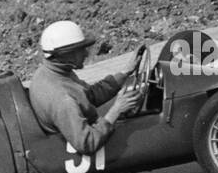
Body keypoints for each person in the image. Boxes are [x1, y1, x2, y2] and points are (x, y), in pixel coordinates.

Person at [29, 20, 141, 155]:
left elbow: (89, 96)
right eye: (81, 50)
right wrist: (116, 111)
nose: (86, 54)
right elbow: (87, 143)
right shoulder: (62, 98)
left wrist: (125, 72)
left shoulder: (52, 72)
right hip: (73, 146)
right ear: (66, 54)